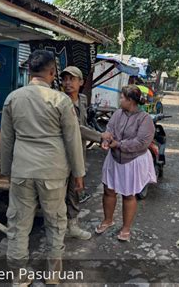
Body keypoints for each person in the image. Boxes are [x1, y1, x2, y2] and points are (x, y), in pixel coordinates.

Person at [0, 50, 85, 284]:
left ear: (29, 71)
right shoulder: (61, 100)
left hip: (22, 169)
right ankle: (53, 275)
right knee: (56, 223)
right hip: (53, 171)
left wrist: (6, 170)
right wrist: (79, 173)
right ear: (52, 72)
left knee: (18, 224)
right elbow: (72, 139)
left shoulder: (13, 98)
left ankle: (19, 278)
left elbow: (6, 139)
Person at [95, 85, 156, 242]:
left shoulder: (145, 119)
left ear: (130, 100)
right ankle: (108, 220)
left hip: (132, 160)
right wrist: (106, 140)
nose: (120, 99)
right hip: (114, 157)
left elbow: (141, 142)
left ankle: (126, 228)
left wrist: (119, 145)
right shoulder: (117, 113)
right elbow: (110, 129)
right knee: (109, 190)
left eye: (122, 97)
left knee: (128, 194)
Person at [61, 66, 107, 240]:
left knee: (75, 189)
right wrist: (100, 136)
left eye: (72, 79)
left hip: (79, 150)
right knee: (60, 191)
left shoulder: (82, 99)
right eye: (65, 79)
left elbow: (84, 124)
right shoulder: (60, 101)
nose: (67, 83)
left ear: (81, 82)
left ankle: (72, 225)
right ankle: (59, 226)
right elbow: (75, 128)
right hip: (63, 152)